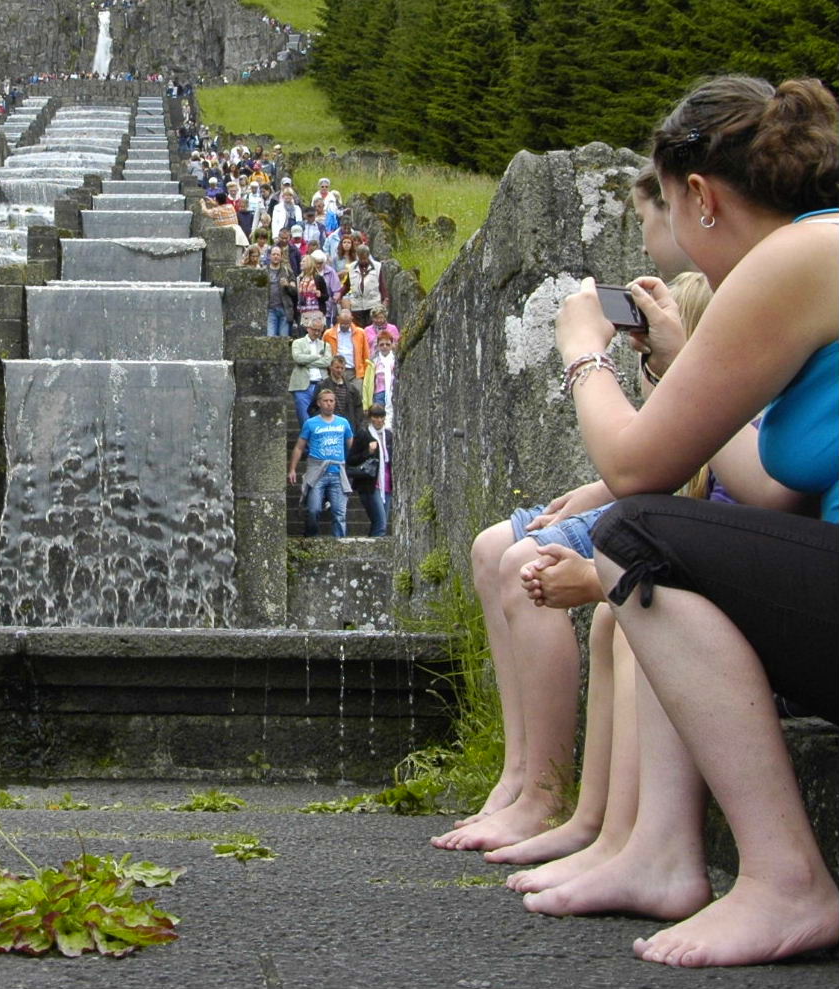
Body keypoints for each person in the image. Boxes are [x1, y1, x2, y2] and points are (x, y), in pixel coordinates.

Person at [553, 74, 839, 968]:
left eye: (672, 214)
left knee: (632, 535)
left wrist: (581, 354)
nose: (679, 245)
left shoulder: (796, 259)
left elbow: (640, 471)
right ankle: (662, 851)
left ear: (703, 199)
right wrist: (676, 363)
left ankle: (786, 879)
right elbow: (770, 491)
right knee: (666, 544)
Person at [430, 165, 699, 857]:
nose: (641, 233)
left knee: (528, 561)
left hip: (676, 504)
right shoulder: (689, 300)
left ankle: (548, 793)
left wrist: (588, 358)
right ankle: (520, 775)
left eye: (647, 215)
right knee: (493, 547)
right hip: (653, 491)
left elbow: (695, 450)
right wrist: (600, 490)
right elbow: (678, 443)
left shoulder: (708, 299)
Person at [288, 388, 354, 538]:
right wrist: (292, 469)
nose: (329, 404)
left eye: (331, 401)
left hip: (337, 472)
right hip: (318, 472)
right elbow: (299, 447)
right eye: (325, 401)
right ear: (319, 403)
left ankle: (340, 544)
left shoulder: (343, 423)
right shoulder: (310, 423)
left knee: (340, 512)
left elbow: (352, 445)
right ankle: (312, 538)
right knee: (313, 510)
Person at [348, 404, 392, 536]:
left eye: (381, 417)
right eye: (375, 417)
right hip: (370, 485)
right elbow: (351, 460)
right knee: (381, 523)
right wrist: (368, 452)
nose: (378, 420)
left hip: (387, 484)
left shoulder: (389, 436)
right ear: (370, 418)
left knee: (379, 522)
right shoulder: (363, 434)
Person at [289, 305, 333, 428]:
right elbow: (298, 358)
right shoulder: (298, 343)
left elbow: (327, 362)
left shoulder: (325, 345)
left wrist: (307, 360)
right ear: (308, 328)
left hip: (320, 384)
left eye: (319, 330)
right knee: (305, 420)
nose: (317, 333)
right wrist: (316, 357)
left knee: (321, 420)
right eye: (314, 329)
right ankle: (307, 447)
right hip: (302, 386)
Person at [343, 243, 388, 328]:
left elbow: (382, 285)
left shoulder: (377, 266)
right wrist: (340, 294)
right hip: (357, 306)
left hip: (373, 304)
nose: (363, 261)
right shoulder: (352, 267)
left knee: (372, 328)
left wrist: (385, 299)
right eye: (361, 259)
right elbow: (347, 284)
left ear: (368, 256)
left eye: (365, 258)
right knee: (359, 330)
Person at [319, 354, 363, 431]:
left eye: (342, 368)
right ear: (331, 368)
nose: (339, 370)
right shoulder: (322, 386)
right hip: (327, 427)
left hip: (347, 427)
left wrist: (356, 423)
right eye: (337, 367)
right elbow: (313, 408)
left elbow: (358, 407)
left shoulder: (352, 388)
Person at [324, 309, 369, 380]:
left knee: (357, 390)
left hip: (355, 372)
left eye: (347, 324)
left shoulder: (360, 333)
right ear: (338, 319)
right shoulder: (328, 334)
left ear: (351, 319)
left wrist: (366, 373)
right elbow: (323, 354)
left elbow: (366, 355)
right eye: (342, 323)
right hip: (335, 371)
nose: (345, 326)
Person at [261, 245, 293, 337]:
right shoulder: (263, 271)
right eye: (274, 254)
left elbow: (295, 292)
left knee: (283, 340)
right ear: (270, 256)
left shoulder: (287, 271)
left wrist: (287, 285)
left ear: (281, 257)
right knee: (270, 339)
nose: (276, 256)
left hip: (284, 309)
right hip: (270, 310)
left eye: (278, 254)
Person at [363, 333, 396, 414]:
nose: (385, 347)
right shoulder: (373, 362)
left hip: (394, 392)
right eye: (381, 345)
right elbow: (366, 384)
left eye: (387, 344)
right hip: (379, 394)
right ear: (377, 346)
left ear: (392, 345)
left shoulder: (396, 361)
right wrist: (366, 405)